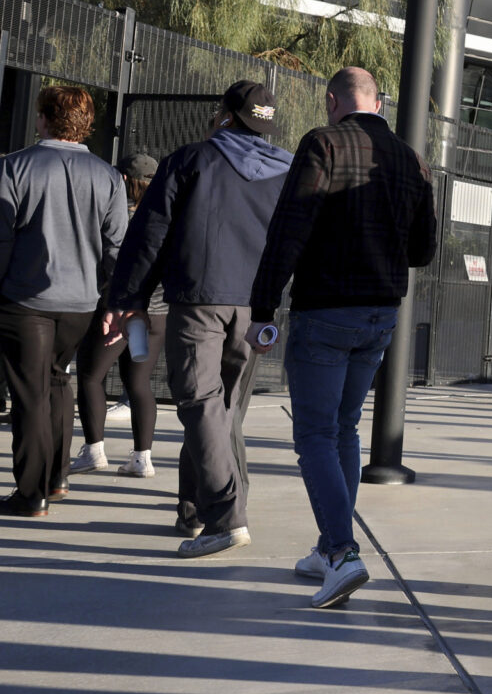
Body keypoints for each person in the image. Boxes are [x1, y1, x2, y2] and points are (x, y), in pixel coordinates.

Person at [250, 68, 435, 607]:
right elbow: (422, 251)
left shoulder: (322, 143)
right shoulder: (412, 160)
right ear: (378, 102)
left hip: (325, 309)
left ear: (333, 101)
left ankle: (340, 551)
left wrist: (264, 305)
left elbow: (290, 227)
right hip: (380, 313)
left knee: (312, 434)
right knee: (344, 429)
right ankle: (328, 546)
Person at [106, 81, 293, 557]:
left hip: (199, 299)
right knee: (223, 408)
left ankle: (226, 516)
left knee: (199, 402)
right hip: (257, 307)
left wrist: (129, 298)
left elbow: (149, 236)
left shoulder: (192, 160)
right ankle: (194, 509)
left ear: (225, 115)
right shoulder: (290, 171)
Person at [0, 86, 126, 517]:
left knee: (29, 394)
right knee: (58, 381)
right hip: (80, 304)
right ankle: (57, 477)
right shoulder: (107, 176)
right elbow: (117, 246)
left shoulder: (14, 167)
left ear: (43, 118)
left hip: (25, 299)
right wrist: (116, 298)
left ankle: (31, 493)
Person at [70, 155, 167, 479]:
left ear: (123, 180)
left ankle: (94, 450)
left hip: (119, 309)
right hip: (155, 313)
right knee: (138, 382)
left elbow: (111, 261)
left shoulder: (119, 216)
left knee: (90, 376)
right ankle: (142, 458)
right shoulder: (166, 215)